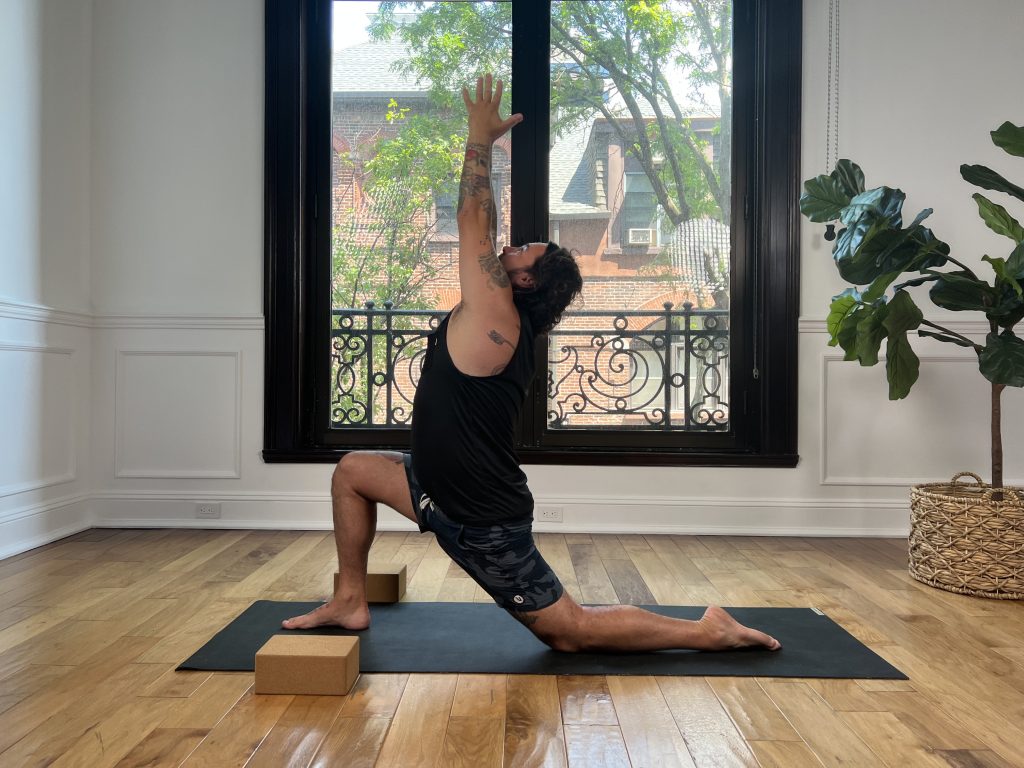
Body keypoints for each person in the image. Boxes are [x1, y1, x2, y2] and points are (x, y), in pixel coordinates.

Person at [283, 74, 781, 654]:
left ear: (523, 281)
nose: (511, 248)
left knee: (568, 632)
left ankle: (706, 630)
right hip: (433, 487)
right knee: (352, 471)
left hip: (482, 520)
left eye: (524, 252)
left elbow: (474, 221)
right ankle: (349, 599)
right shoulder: (499, 316)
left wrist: (480, 139)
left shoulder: (498, 317)